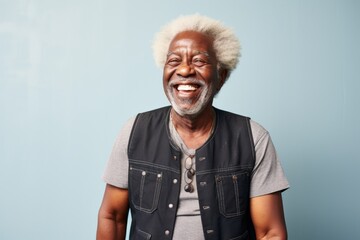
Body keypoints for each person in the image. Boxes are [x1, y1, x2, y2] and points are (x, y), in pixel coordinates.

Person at [97, 14, 289, 240]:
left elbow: (270, 233)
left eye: (199, 61)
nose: (185, 70)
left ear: (221, 76)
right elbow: (113, 216)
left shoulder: (253, 138)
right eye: (174, 61)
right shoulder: (134, 132)